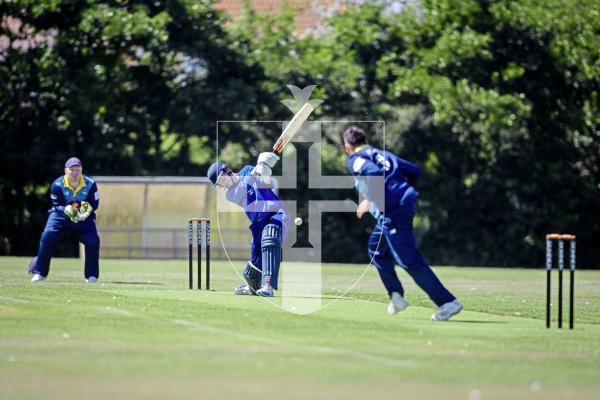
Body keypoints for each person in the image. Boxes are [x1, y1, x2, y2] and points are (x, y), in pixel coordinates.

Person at [342, 126, 462, 321]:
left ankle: (447, 302)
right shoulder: (383, 154)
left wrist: (369, 199)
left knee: (408, 259)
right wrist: (403, 193)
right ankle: (396, 295)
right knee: (376, 250)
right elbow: (414, 170)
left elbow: (372, 173)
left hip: (394, 211)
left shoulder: (355, 159)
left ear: (347, 147)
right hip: (394, 209)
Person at [207, 152, 289, 297]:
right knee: (254, 264)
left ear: (227, 171)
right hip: (258, 223)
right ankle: (252, 288)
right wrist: (256, 169)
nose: (223, 184)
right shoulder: (230, 194)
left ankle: (268, 286)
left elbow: (267, 183)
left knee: (270, 238)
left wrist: (264, 169)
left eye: (222, 179)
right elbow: (244, 187)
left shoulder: (247, 169)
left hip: (275, 213)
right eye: (219, 184)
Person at [28, 157, 100, 283]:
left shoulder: (91, 184)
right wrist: (66, 209)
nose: (75, 173)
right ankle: (40, 272)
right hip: (60, 215)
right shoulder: (57, 184)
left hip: (82, 218)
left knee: (93, 241)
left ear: (81, 170)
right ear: (65, 171)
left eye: (77, 169)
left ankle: (91, 276)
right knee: (47, 236)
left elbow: (95, 203)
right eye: (71, 169)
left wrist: (87, 212)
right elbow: (57, 205)